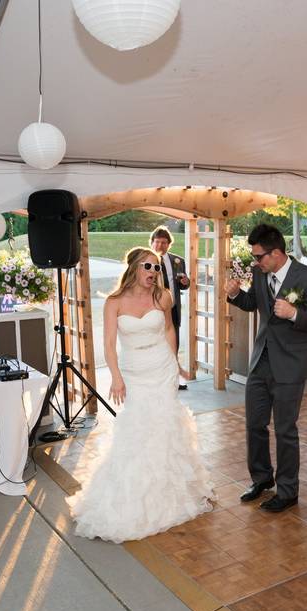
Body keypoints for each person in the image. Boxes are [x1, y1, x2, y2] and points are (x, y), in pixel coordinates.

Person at [67, 247, 213, 542]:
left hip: (162, 367)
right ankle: (134, 493)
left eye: (157, 268)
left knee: (165, 425)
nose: (153, 273)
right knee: (137, 428)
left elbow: (170, 330)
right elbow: (108, 344)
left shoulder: (163, 297)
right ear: (134, 266)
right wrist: (117, 378)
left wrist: (175, 362)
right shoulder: (114, 302)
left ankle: (169, 491)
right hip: (134, 371)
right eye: (148, 266)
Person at [225, 224, 307, 513]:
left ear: (277, 253)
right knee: (254, 424)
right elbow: (253, 303)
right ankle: (261, 479)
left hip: (291, 365)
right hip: (261, 361)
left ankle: (288, 491)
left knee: (284, 430)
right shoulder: (260, 273)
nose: (255, 263)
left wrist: (295, 314)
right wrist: (234, 294)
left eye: (259, 257)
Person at [149, 226, 190, 389]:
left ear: (169, 244)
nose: (160, 245)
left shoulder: (178, 261)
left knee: (174, 344)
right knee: (156, 345)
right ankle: (158, 380)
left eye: (164, 242)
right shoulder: (146, 262)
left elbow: (182, 285)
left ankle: (174, 379)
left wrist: (185, 283)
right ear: (151, 243)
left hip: (173, 310)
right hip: (153, 311)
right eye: (157, 242)